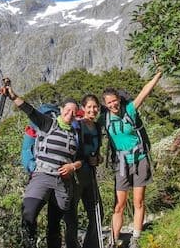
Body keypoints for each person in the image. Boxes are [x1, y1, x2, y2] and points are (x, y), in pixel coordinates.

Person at [3, 80, 83, 248]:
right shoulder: (49, 123)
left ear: (76, 115)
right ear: (61, 110)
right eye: (67, 109)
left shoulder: (75, 133)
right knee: (28, 214)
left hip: (63, 182)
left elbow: (80, 159)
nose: (70, 113)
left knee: (54, 226)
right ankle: (29, 245)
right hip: (43, 176)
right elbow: (30, 111)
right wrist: (13, 96)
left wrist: (73, 167)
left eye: (73, 112)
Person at [99, 72, 162, 248]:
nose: (113, 104)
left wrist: (157, 76)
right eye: (109, 102)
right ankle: (113, 239)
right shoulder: (104, 119)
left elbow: (144, 92)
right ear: (105, 104)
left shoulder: (130, 110)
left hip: (139, 159)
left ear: (119, 99)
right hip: (120, 163)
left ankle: (136, 237)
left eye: (115, 100)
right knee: (119, 204)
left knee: (138, 201)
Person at [65, 94, 104, 248]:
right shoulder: (77, 126)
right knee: (71, 215)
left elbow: (97, 152)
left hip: (90, 175)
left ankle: (90, 244)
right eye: (89, 107)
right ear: (83, 108)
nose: (92, 110)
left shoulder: (97, 127)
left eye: (95, 107)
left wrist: (99, 159)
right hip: (76, 176)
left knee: (97, 213)